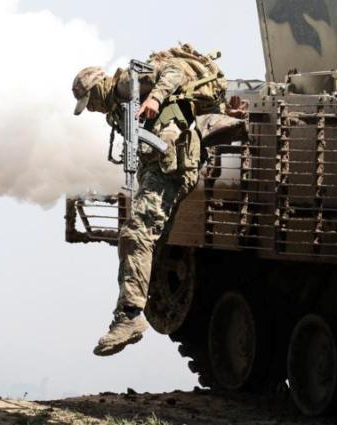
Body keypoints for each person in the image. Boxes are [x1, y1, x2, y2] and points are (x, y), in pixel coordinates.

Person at [72, 45, 228, 356]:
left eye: (90, 102)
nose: (92, 109)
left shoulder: (125, 83)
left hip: (170, 166)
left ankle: (129, 316)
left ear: (97, 89)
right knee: (144, 240)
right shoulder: (118, 105)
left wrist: (155, 98)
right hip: (162, 167)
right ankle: (134, 308)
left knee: (136, 233)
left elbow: (174, 71)